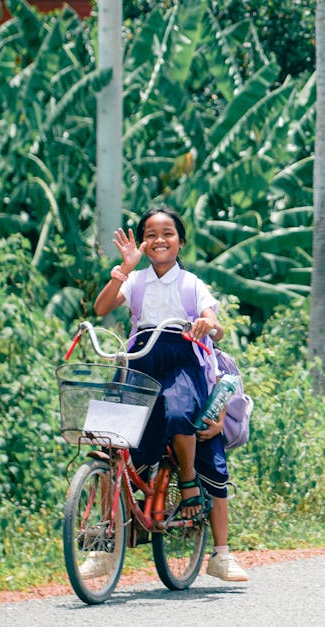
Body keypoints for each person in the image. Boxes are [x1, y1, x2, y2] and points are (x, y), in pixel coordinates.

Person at [90, 206, 248, 583]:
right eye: (151, 235)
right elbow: (101, 307)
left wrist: (207, 323)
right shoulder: (135, 280)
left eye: (167, 233)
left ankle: (218, 547)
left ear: (180, 240)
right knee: (109, 443)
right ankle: (102, 550)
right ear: (143, 243)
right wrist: (125, 266)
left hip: (181, 359)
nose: (159, 240)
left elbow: (216, 325)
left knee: (180, 414)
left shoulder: (191, 283)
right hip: (140, 358)